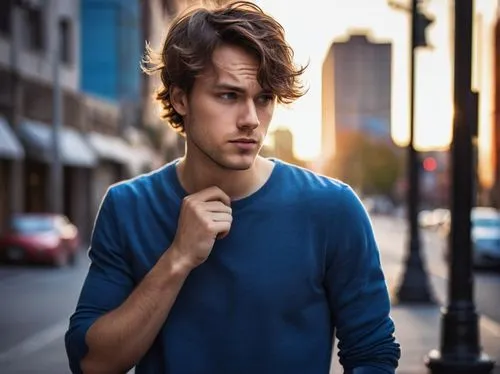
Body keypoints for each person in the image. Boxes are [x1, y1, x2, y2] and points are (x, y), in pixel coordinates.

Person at [65, 1, 400, 373]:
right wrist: (177, 259)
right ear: (180, 98)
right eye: (228, 96)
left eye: (264, 99)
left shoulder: (332, 208)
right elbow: (91, 364)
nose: (251, 120)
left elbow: (372, 354)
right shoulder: (127, 206)